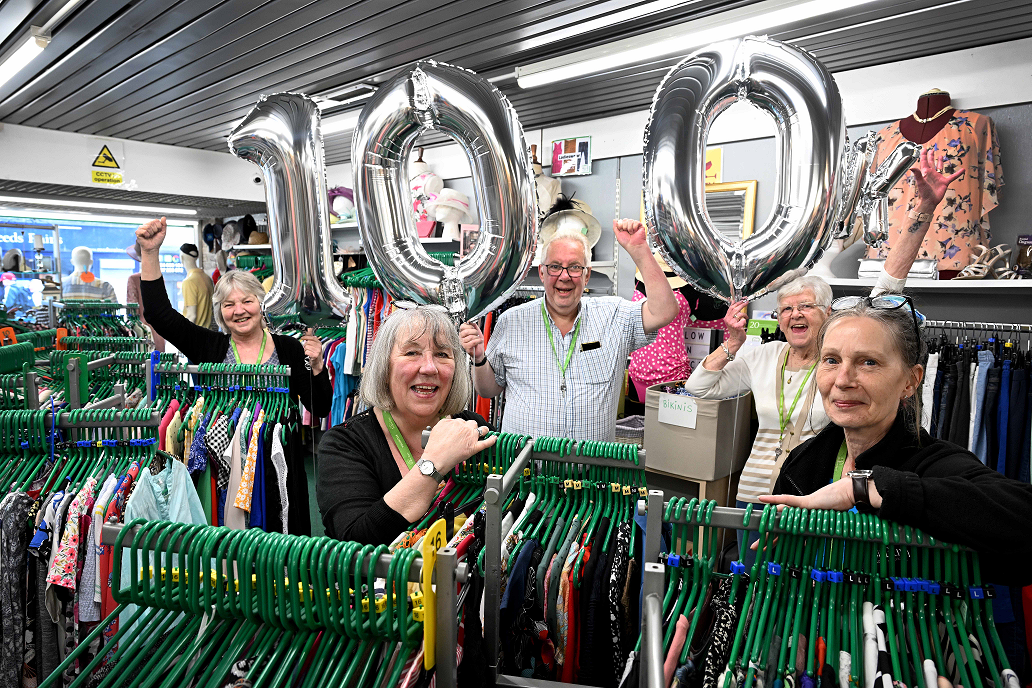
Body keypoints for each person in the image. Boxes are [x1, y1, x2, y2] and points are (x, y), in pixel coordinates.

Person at [683, 148, 962, 565]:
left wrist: (920, 213)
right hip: (758, 494)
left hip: (819, 493)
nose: (795, 315)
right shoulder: (764, 357)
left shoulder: (841, 367)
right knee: (760, 589)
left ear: (828, 314)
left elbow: (885, 295)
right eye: (786, 309)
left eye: (806, 307)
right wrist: (732, 344)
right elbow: (699, 388)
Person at [761, 296, 1032, 585]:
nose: (842, 380)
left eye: (868, 362)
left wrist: (867, 489)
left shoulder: (936, 464)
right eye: (831, 360)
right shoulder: (802, 463)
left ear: (910, 381)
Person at [459, 218, 679, 441]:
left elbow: (664, 311)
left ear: (587, 275)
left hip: (591, 462)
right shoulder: (511, 321)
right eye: (555, 266)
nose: (564, 276)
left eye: (574, 267)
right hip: (524, 461)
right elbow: (488, 390)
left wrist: (639, 250)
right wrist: (479, 358)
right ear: (542, 273)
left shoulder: (614, 315)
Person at [317, 306, 496, 545]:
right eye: (412, 352)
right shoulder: (344, 444)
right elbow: (355, 540)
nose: (429, 367)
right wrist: (433, 465)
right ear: (385, 366)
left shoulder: (472, 426)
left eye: (442, 354)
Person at [134, 217, 330, 417]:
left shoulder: (289, 348)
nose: (239, 310)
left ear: (261, 305)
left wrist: (317, 367)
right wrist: (149, 252)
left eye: (247, 301)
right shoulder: (207, 346)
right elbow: (158, 314)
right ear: (220, 311)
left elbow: (321, 409)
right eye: (229, 305)